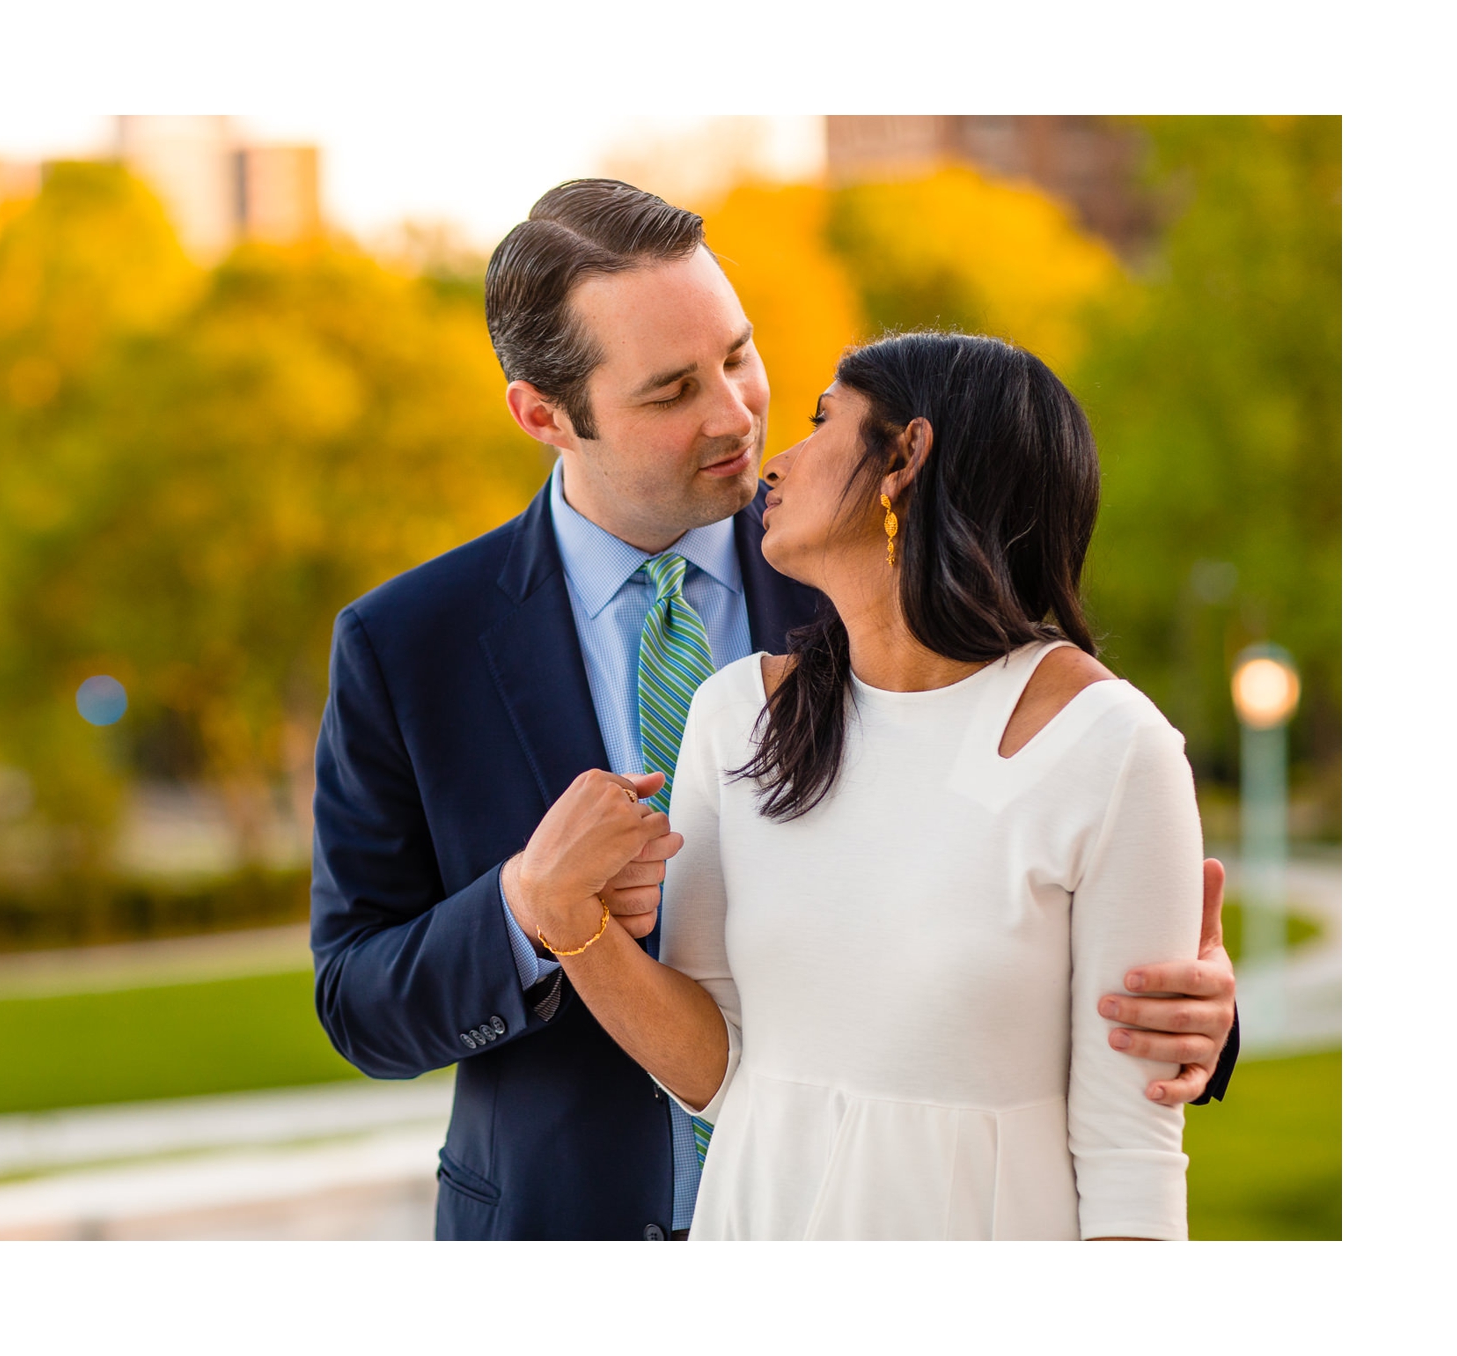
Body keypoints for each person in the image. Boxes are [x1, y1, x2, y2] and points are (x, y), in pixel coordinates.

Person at [309, 180, 1239, 1241]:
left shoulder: (882, 568)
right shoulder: (407, 645)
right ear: (543, 414)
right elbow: (358, 1000)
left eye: (738, 356)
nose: (736, 414)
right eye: (670, 393)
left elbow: (1039, 887)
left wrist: (1177, 1009)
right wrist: (527, 908)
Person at [536, 330, 1203, 1239]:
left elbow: (1132, 1157)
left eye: (822, 422)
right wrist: (567, 921)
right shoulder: (736, 716)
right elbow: (716, 1071)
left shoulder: (1114, 748)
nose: (779, 460)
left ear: (905, 458)